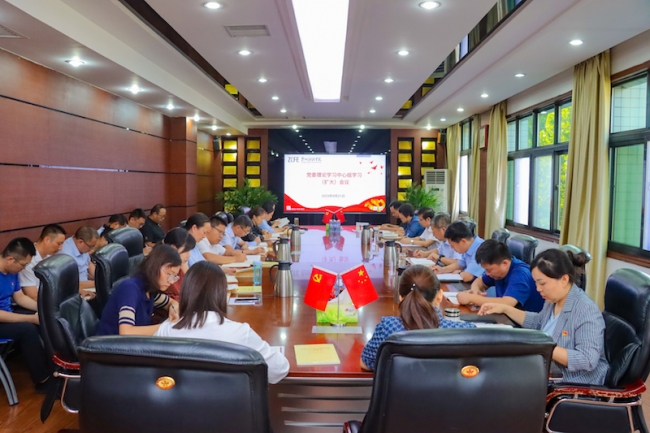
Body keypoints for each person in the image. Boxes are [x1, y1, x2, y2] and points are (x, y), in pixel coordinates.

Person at [479, 249, 609, 385]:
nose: (538, 289)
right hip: (544, 368)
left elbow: (587, 360)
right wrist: (506, 309)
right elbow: (539, 322)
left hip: (571, 383)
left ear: (564, 279)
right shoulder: (552, 300)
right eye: (536, 283)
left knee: (496, 379)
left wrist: (539, 346)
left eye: (542, 283)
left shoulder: (585, 309)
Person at [155, 261, 290, 384]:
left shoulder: (166, 330)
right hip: (230, 403)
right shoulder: (240, 333)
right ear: (221, 293)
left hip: (181, 402)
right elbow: (279, 369)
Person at [361, 265, 475, 371]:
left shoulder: (388, 328)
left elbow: (365, 363)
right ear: (440, 296)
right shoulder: (465, 332)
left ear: (401, 298)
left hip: (404, 387)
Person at [96, 245, 180, 336]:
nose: (171, 281)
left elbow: (172, 303)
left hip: (132, 343)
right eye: (169, 274)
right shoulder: (130, 289)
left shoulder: (149, 290)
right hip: (110, 343)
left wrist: (173, 310)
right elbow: (126, 332)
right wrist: (167, 328)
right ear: (154, 267)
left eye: (174, 276)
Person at [0, 238, 50, 389]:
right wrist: (30, 319)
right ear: (10, 259)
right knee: (28, 329)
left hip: (8, 314)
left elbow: (20, 298)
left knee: (44, 317)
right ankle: (43, 380)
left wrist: (44, 309)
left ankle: (55, 367)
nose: (24, 269)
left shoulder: (11, 272)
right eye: (23, 265)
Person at [456, 240, 544, 312]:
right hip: (506, 318)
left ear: (505, 263)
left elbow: (507, 303)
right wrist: (475, 290)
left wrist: (472, 298)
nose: (487, 273)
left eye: (489, 270)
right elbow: (480, 281)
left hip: (523, 325)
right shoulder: (499, 270)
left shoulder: (521, 274)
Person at [19, 224, 67, 301]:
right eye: (58, 243)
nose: (60, 248)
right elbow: (33, 296)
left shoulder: (50, 256)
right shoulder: (28, 260)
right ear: (47, 240)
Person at [57, 226, 99, 290]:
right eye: (90, 246)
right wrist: (97, 283)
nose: (91, 250)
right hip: (75, 290)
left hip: (87, 285)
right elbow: (69, 284)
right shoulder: (66, 256)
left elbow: (89, 263)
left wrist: (101, 277)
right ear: (80, 242)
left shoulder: (82, 247)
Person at [161, 228, 195, 302]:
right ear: (173, 248)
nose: (188, 255)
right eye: (186, 251)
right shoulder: (163, 268)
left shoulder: (180, 265)